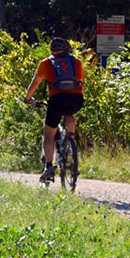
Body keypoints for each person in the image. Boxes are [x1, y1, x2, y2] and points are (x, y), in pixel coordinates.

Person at [24, 37, 84, 182]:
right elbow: (81, 83)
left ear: (52, 51)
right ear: (67, 49)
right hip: (76, 99)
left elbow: (35, 83)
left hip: (57, 99)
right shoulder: (76, 62)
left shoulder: (46, 63)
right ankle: (70, 144)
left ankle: (49, 166)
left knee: (49, 132)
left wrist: (28, 98)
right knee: (69, 114)